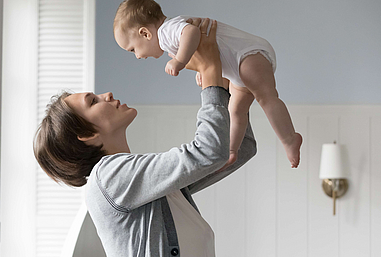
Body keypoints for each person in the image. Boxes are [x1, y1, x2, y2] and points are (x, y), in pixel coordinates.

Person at [34, 18, 256, 257]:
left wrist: (228, 85)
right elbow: (209, 152)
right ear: (87, 134)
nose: (106, 94)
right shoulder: (109, 177)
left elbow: (240, 149)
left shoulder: (141, 182)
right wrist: (211, 73)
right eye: (93, 101)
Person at [113, 0, 303, 168]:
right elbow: (203, 49)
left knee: (267, 98)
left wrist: (179, 60)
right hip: (235, 68)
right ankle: (230, 151)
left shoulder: (166, 31)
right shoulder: (168, 35)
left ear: (145, 33)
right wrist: (201, 69)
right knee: (235, 110)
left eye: (132, 49)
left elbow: (192, 32)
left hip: (249, 54)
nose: (137, 56)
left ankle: (289, 139)